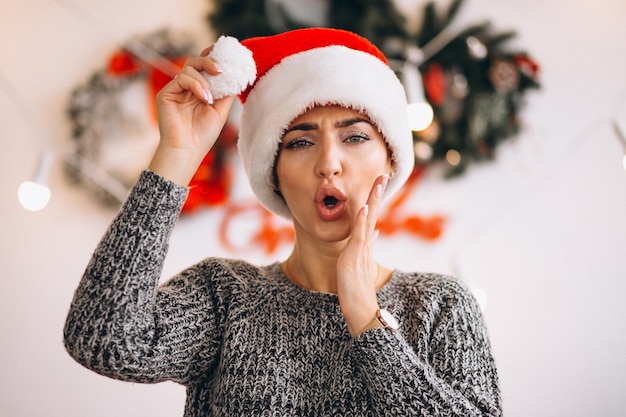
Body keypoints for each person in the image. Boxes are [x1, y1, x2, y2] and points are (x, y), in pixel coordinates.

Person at [64, 28, 502, 416]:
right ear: (273, 173)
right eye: (300, 142)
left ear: (390, 158)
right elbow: (101, 338)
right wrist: (177, 154)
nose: (329, 163)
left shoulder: (441, 306)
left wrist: (367, 319)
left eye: (354, 137)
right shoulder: (225, 298)